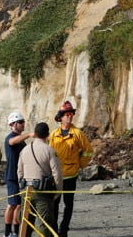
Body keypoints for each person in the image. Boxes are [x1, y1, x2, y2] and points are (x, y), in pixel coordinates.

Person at [49, 101, 93, 237]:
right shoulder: (53, 135)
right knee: (54, 204)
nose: (69, 117)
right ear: (60, 117)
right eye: (67, 114)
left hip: (70, 176)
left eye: (71, 114)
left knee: (68, 204)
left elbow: (88, 151)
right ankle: (54, 230)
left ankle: (64, 229)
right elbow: (48, 153)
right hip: (56, 176)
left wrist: (80, 164)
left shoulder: (77, 133)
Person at [18, 122, 63, 237]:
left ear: (35, 134)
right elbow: (57, 173)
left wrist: (21, 187)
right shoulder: (49, 151)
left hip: (26, 190)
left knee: (25, 224)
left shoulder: (25, 150)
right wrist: (58, 191)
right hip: (42, 192)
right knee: (44, 225)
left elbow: (19, 172)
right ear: (47, 135)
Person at [4, 112, 34, 237]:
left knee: (19, 205)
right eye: (20, 122)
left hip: (20, 176)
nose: (23, 124)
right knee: (12, 204)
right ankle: (7, 233)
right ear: (13, 124)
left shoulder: (21, 141)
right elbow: (12, 141)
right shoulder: (11, 137)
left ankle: (16, 232)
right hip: (12, 176)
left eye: (23, 122)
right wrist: (29, 135)